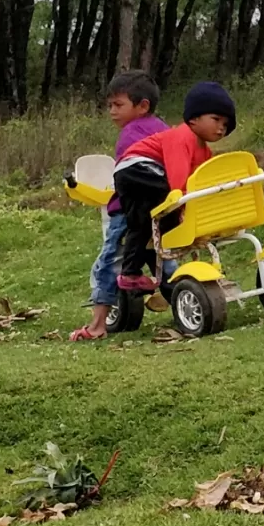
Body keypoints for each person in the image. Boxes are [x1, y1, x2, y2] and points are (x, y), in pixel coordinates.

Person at [70, 71, 167, 342]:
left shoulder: (130, 133)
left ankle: (98, 324)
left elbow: (127, 178)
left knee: (109, 262)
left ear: (142, 105)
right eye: (109, 105)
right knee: (162, 257)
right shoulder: (163, 129)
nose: (111, 111)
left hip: (126, 210)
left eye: (118, 105)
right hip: (160, 207)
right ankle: (184, 296)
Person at [113, 80, 237, 292]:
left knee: (148, 220)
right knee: (171, 197)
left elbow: (201, 182)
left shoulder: (205, 152)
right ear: (194, 118)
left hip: (146, 176)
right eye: (216, 119)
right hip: (135, 166)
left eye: (225, 125)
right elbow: (179, 182)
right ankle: (132, 272)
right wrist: (185, 203)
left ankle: (132, 273)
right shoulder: (182, 136)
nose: (220, 128)